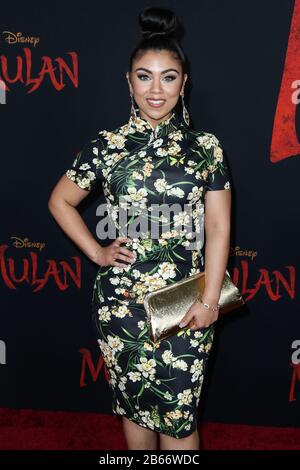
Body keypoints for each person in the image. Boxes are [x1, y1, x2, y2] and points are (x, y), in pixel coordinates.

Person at [48, 6, 232, 451]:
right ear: (128, 82)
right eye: (144, 76)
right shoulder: (106, 147)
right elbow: (60, 201)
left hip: (186, 301)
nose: (156, 89)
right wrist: (97, 253)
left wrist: (209, 301)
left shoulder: (205, 148)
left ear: (183, 84)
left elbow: (219, 226)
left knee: (179, 419)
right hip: (121, 303)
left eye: (168, 77)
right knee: (133, 408)